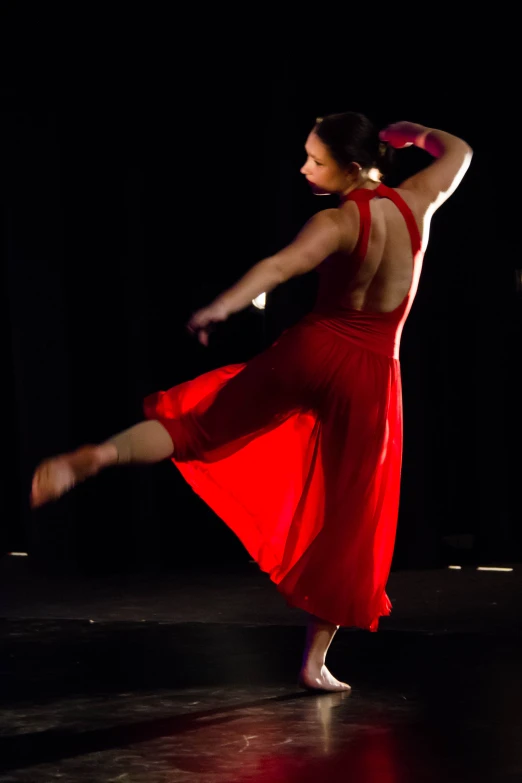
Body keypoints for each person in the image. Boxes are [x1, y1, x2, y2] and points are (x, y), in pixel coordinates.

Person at [30, 115, 473, 692]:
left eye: (316, 161)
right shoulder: (419, 201)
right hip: (369, 376)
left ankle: (93, 457)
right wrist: (410, 134)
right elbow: (459, 150)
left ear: (354, 167)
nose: (304, 168)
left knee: (196, 428)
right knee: (350, 520)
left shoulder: (337, 221)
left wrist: (223, 306)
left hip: (311, 351)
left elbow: (280, 267)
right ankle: (314, 663)